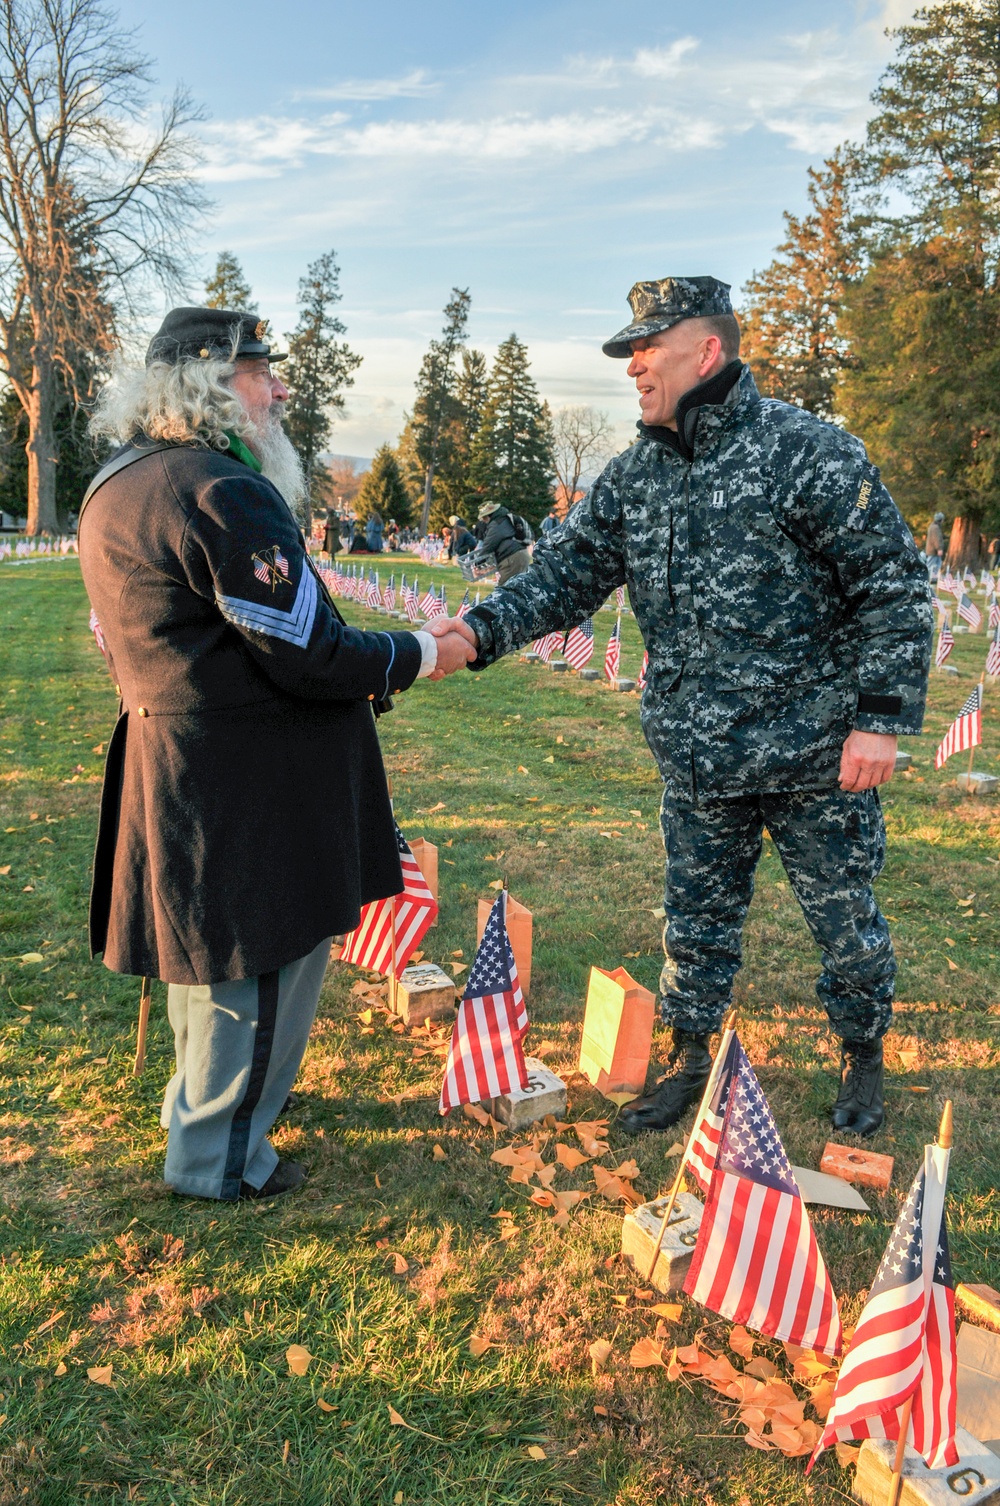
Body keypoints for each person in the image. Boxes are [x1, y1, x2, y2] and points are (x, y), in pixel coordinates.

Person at [432, 276, 932, 1139]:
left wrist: (879, 720)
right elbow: (560, 578)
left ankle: (862, 1054)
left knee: (846, 924)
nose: (632, 366)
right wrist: (471, 634)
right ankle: (687, 1057)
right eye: (628, 351)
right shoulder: (634, 478)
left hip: (815, 754)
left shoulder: (806, 451)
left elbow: (892, 585)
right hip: (699, 759)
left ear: (706, 351)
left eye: (647, 348)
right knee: (695, 924)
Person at [79, 306, 474, 1202]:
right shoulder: (222, 490)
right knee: (261, 964)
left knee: (208, 962)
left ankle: (205, 1120)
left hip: (179, 757)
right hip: (247, 782)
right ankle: (219, 1161)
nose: (281, 387)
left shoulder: (121, 478)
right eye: (260, 371)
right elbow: (310, 652)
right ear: (209, 383)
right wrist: (423, 651)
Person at [473, 501, 532, 585]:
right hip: (519, 555)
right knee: (518, 587)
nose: (483, 520)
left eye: (484, 517)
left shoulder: (497, 524)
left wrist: (477, 562)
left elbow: (489, 545)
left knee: (505, 589)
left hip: (512, 558)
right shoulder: (504, 519)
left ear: (489, 515)